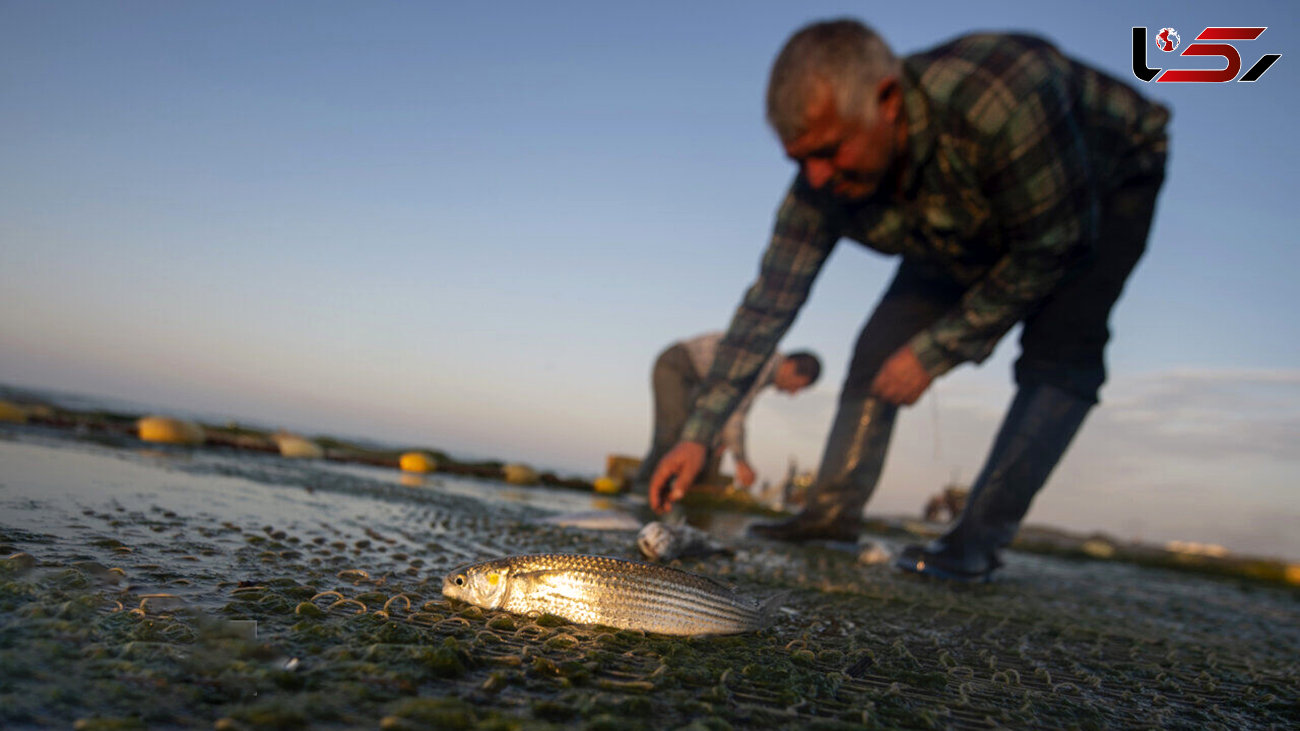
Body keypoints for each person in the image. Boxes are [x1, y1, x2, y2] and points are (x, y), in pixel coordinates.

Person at [648, 20, 1169, 581]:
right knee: (879, 349)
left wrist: (938, 349)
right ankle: (830, 515)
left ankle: (976, 541)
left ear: (888, 102)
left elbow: (1052, 246)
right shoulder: (818, 185)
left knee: (1062, 349)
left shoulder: (1002, 97)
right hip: (957, 211)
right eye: (800, 160)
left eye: (828, 152)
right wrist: (700, 434)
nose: (816, 178)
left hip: (1097, 183)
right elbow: (769, 304)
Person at [632, 331, 820, 493]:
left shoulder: (767, 371)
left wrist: (723, 437)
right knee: (673, 432)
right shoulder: (762, 364)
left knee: (712, 439)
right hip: (679, 365)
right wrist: (741, 461)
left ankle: (685, 493)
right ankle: (643, 489)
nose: (793, 393)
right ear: (790, 366)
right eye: (797, 386)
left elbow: (725, 409)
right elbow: (736, 415)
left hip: (704, 383)